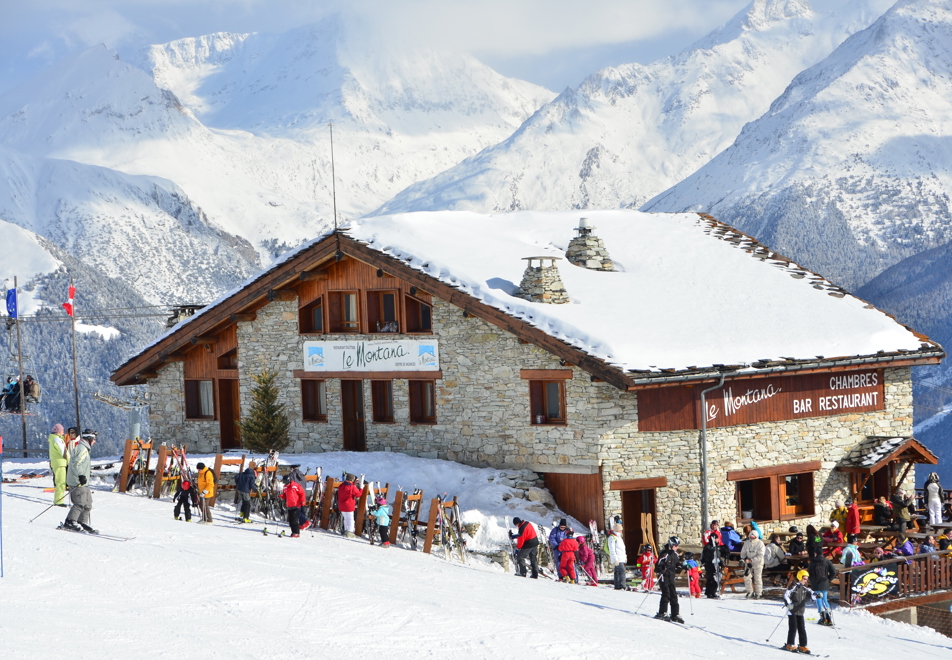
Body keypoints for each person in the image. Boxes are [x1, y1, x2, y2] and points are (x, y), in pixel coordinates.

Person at [61, 430, 97, 533]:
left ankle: (82, 522)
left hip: (84, 482)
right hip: (77, 481)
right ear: (89, 439)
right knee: (79, 503)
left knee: (88, 503)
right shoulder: (82, 449)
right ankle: (70, 521)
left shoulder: (84, 448)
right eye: (94, 439)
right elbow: (76, 464)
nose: (95, 441)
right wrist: (81, 475)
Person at [783, 570, 815, 653]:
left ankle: (802, 645)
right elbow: (786, 596)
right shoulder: (793, 587)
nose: (806, 580)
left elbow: (812, 594)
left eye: (807, 579)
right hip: (792, 610)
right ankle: (790, 644)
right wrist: (788, 604)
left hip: (800, 611)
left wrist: (817, 595)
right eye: (804, 579)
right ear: (800, 578)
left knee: (802, 628)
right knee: (793, 628)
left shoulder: (805, 588)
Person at [655, 536, 683, 623]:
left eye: (677, 545)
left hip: (671, 577)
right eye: (675, 545)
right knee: (666, 594)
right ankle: (662, 612)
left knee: (674, 595)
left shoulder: (675, 554)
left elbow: (677, 564)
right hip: (664, 577)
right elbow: (657, 567)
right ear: (671, 544)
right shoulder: (664, 554)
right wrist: (661, 570)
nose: (676, 547)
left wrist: (682, 566)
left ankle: (675, 614)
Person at [808, 553, 837, 626]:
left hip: (816, 584)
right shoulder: (827, 561)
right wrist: (828, 580)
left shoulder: (813, 562)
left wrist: (812, 580)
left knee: (819, 600)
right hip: (824, 583)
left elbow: (809, 573)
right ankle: (829, 618)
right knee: (825, 599)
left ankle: (823, 618)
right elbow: (833, 572)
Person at [47, 423, 69, 507]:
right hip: (60, 463)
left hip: (57, 463)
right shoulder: (57, 440)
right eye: (62, 430)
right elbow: (63, 452)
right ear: (59, 431)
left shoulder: (55, 439)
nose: (63, 431)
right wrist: (70, 460)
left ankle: (59, 499)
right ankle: (58, 501)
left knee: (60, 481)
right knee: (61, 482)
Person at [741, 529, 765, 598]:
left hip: (758, 563)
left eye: (753, 536)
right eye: (751, 536)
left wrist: (751, 560)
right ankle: (749, 591)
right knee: (747, 577)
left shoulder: (760, 543)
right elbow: (743, 552)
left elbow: (760, 555)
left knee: (757, 578)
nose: (752, 537)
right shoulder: (747, 543)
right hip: (748, 563)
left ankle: (758, 592)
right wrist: (745, 559)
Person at [606, 523, 628, 590]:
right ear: (618, 530)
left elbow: (622, 549)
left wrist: (625, 557)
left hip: (621, 558)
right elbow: (612, 549)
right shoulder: (612, 538)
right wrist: (615, 559)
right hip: (617, 558)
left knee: (618, 572)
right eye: (620, 530)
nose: (621, 531)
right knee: (622, 571)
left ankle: (617, 586)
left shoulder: (619, 537)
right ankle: (622, 586)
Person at [701, 532, 723, 598]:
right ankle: (709, 592)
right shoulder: (708, 547)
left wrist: (720, 562)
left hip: (716, 565)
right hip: (710, 565)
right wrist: (713, 561)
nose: (717, 540)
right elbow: (707, 557)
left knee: (716, 579)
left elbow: (718, 555)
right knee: (711, 578)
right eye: (716, 538)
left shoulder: (716, 547)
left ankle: (713, 592)